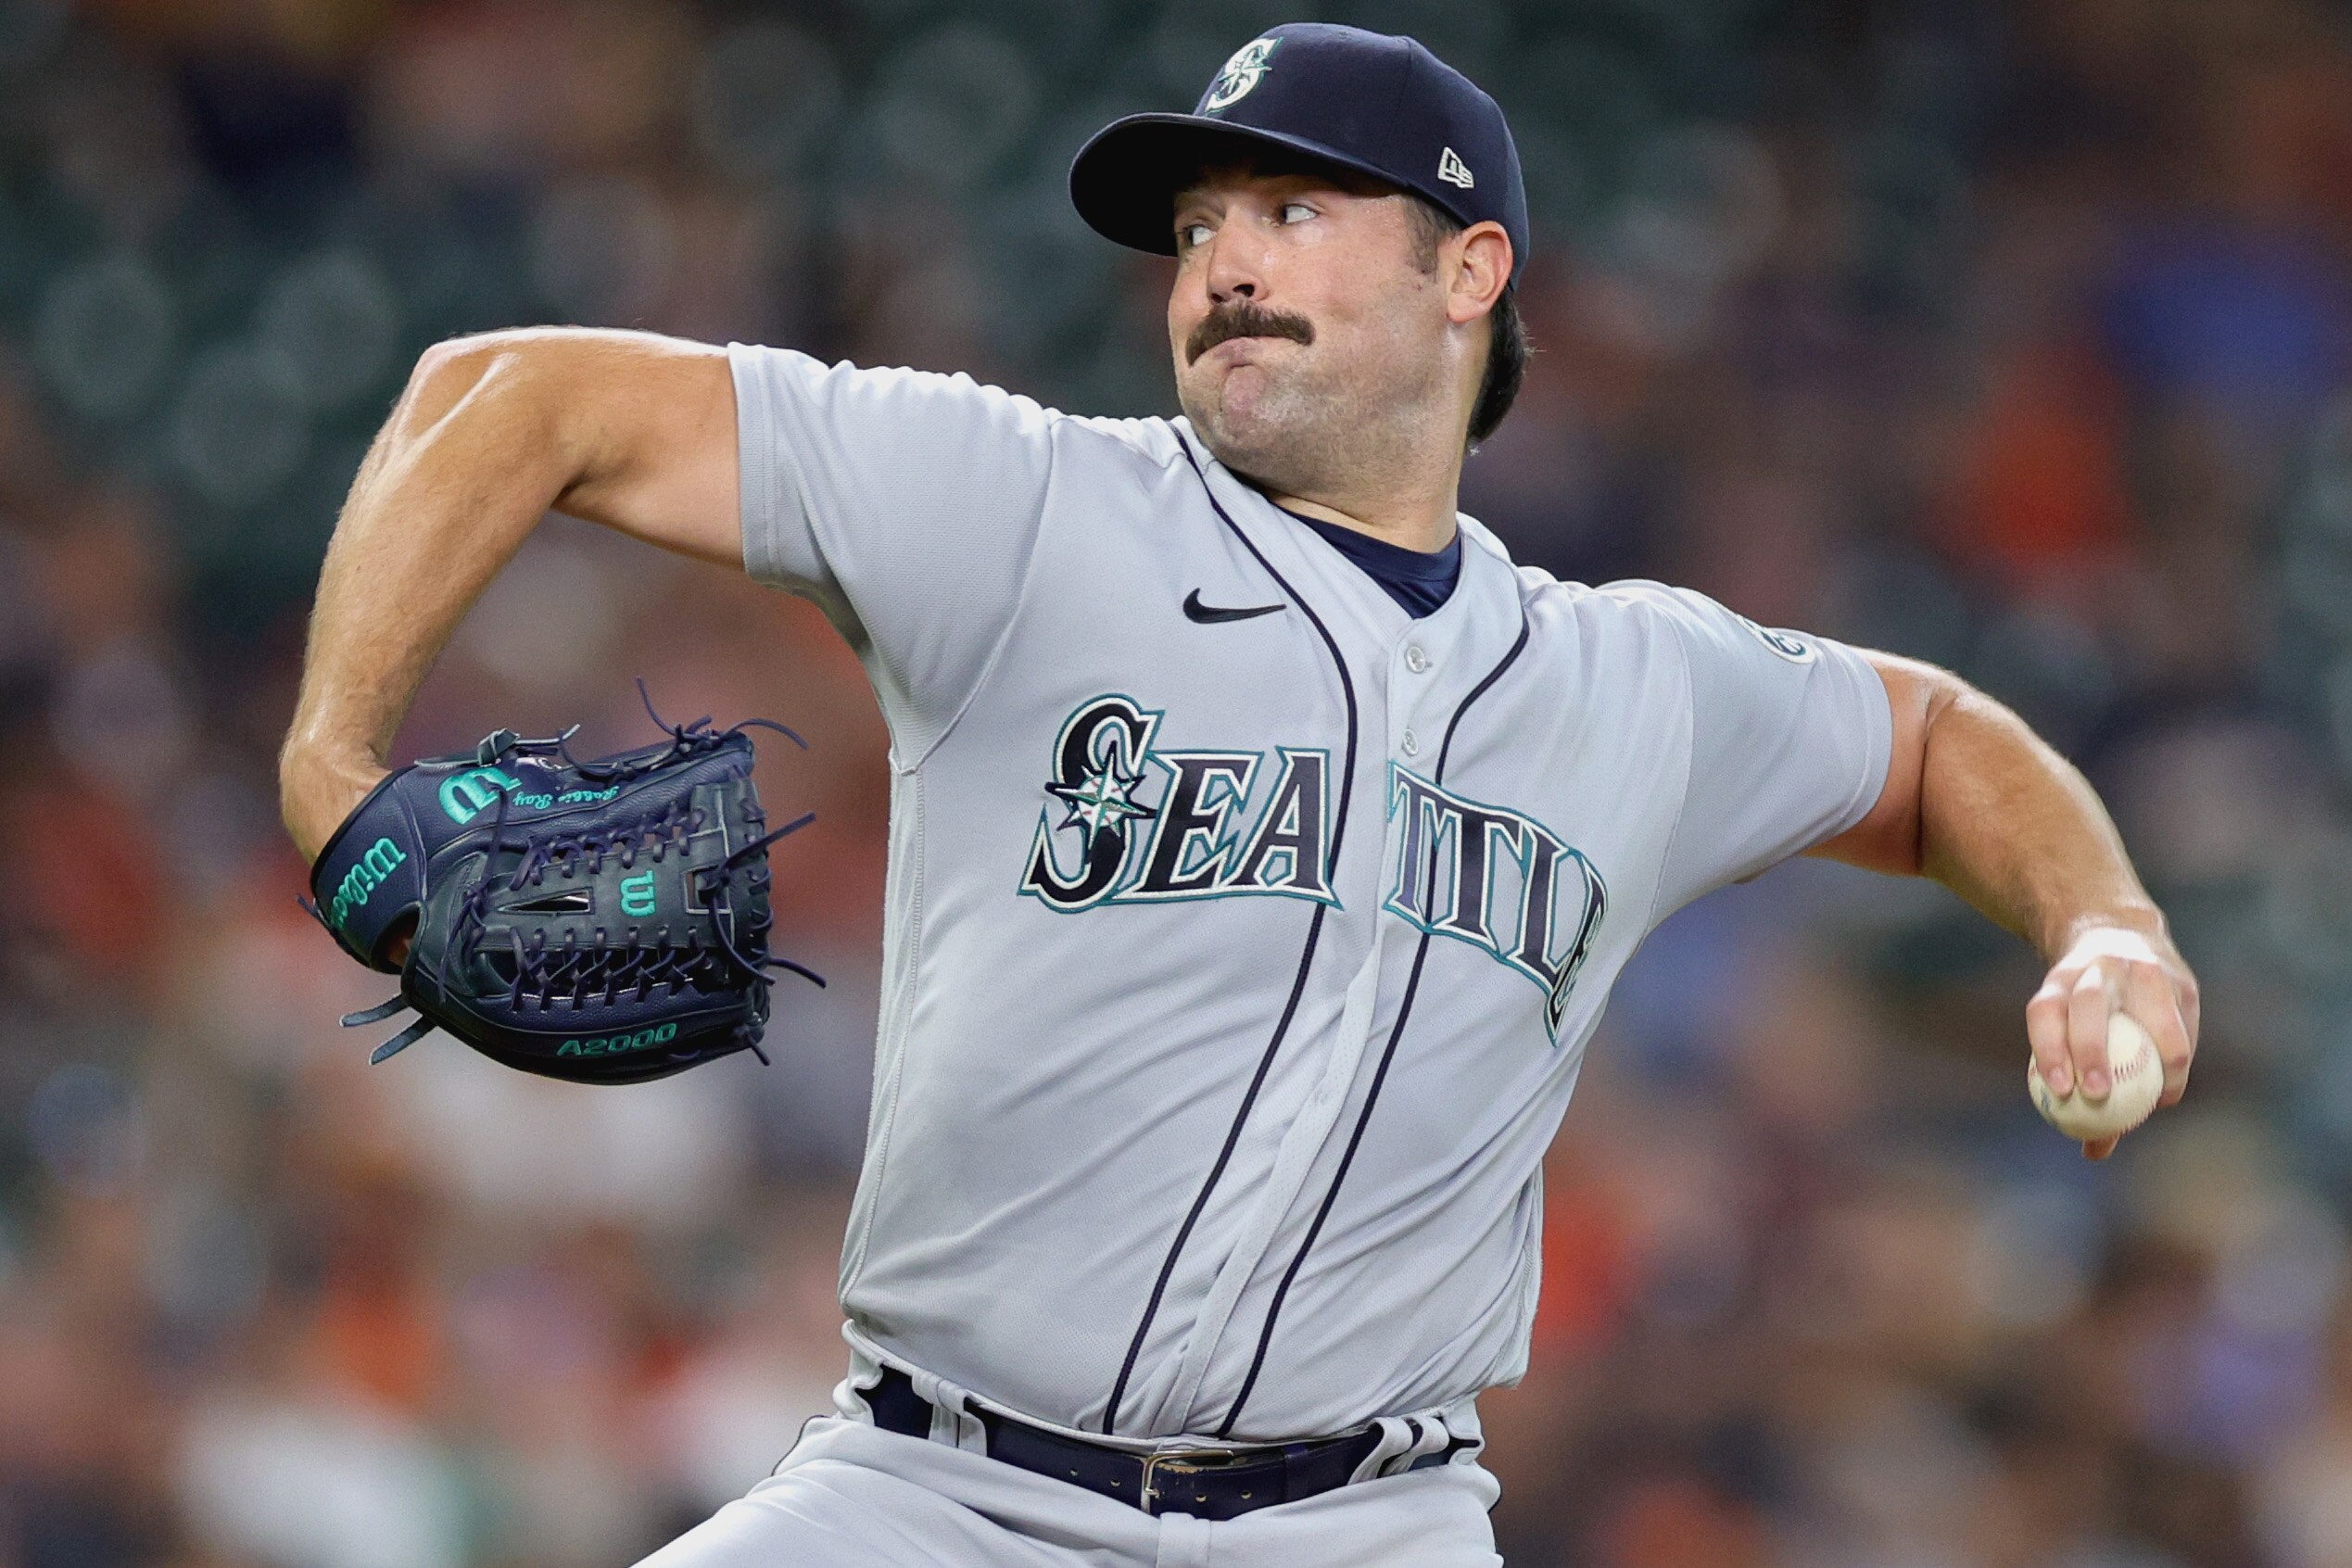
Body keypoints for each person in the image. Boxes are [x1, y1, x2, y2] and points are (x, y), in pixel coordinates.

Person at [278, 22, 2199, 1568]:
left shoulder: (1633, 683)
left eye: (1293, 209)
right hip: (939, 1498)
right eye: (1200, 228)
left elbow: (1939, 741)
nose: (1225, 265)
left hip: (1371, 1522)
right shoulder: (1024, 504)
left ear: (1473, 272)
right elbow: (514, 391)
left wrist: (2106, 920)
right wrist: (332, 761)